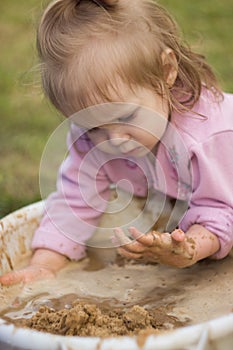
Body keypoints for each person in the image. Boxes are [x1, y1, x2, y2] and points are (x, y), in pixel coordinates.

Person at [1, 0, 233, 286]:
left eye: (126, 116)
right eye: (94, 126)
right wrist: (44, 265)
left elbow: (221, 210)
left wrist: (189, 250)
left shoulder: (208, 136)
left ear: (166, 70)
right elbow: (75, 201)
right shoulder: (94, 138)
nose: (114, 140)